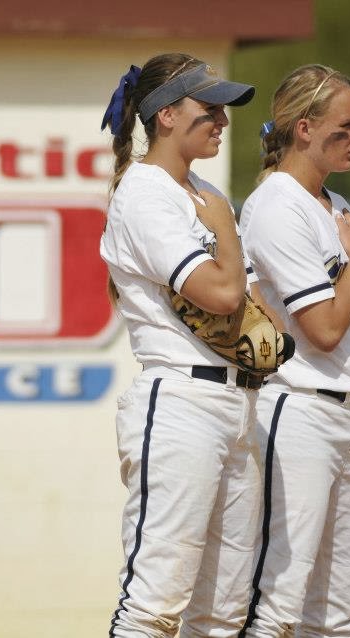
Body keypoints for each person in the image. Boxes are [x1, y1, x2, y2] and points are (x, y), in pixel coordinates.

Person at [99, 53, 263, 637]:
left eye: (224, 110)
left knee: (221, 613)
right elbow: (221, 294)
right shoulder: (147, 192)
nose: (221, 120)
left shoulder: (194, 188)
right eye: (208, 107)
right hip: (181, 405)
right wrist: (223, 221)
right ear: (166, 115)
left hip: (236, 406)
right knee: (154, 606)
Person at [237, 64, 350, 637]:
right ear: (303, 128)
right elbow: (321, 329)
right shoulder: (278, 204)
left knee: (342, 606)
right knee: (280, 600)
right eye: (346, 127)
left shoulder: (334, 203)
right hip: (298, 410)